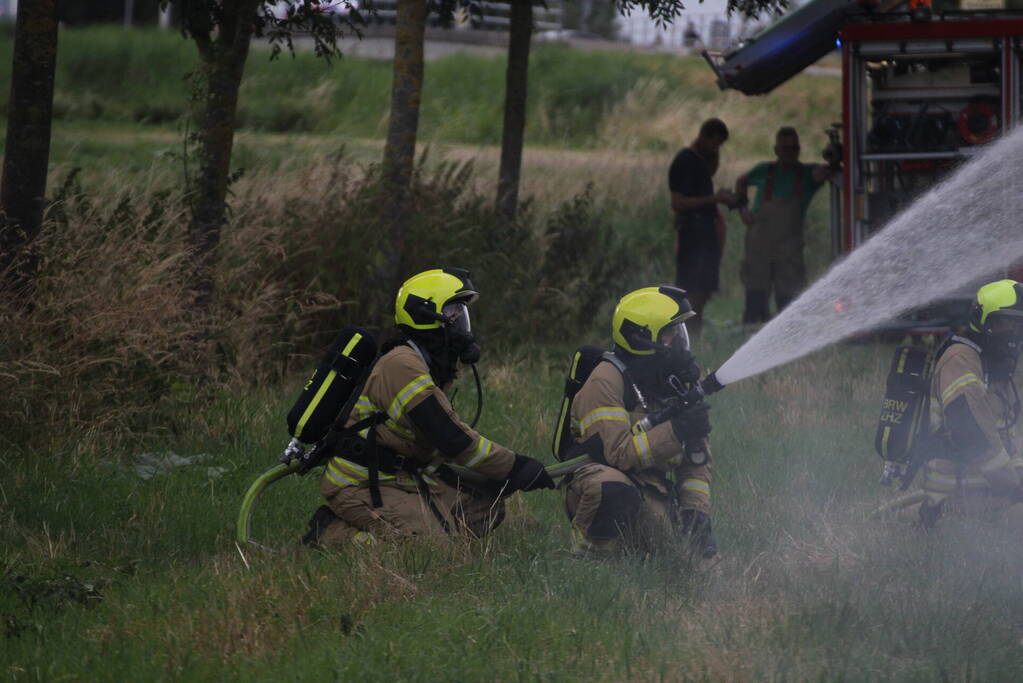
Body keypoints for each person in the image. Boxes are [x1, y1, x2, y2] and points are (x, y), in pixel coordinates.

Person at [303, 268, 555, 546]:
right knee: (433, 549)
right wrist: (514, 466)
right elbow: (451, 439)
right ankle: (331, 533)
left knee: (485, 508)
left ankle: (428, 528)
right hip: (360, 483)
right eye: (453, 312)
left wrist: (494, 477)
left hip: (402, 475)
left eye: (461, 312)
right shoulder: (402, 365)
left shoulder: (427, 364)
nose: (460, 321)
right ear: (425, 315)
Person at [560, 286, 718, 561]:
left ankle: (630, 555)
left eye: (681, 332)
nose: (680, 343)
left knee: (690, 563)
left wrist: (696, 513)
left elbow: (696, 461)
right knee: (612, 489)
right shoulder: (605, 381)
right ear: (642, 338)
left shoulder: (675, 382)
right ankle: (586, 561)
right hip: (599, 480)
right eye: (670, 334)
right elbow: (617, 455)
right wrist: (676, 430)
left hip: (649, 488)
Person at [912, 280, 1023, 529]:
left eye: (1018, 325)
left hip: (987, 495)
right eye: (1004, 323)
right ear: (981, 320)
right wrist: (1013, 486)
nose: (1012, 334)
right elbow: (971, 433)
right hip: (957, 502)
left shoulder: (991, 364)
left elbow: (1005, 431)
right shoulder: (961, 360)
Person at [733, 127, 834, 324]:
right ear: (776, 150)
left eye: (794, 148)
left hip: (789, 249)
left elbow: (823, 173)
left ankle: (789, 337)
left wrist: (833, 160)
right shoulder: (764, 171)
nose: (790, 152)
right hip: (758, 246)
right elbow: (741, 181)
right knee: (756, 293)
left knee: (789, 296)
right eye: (785, 148)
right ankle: (752, 332)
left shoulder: (806, 174)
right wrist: (742, 209)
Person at [668, 118, 735, 335]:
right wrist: (715, 199)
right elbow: (678, 202)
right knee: (693, 288)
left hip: (705, 233)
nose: (717, 149)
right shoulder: (685, 161)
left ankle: (695, 331)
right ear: (705, 136)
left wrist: (713, 153)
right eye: (716, 143)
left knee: (704, 287)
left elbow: (711, 172)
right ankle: (688, 333)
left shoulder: (701, 162)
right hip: (693, 232)